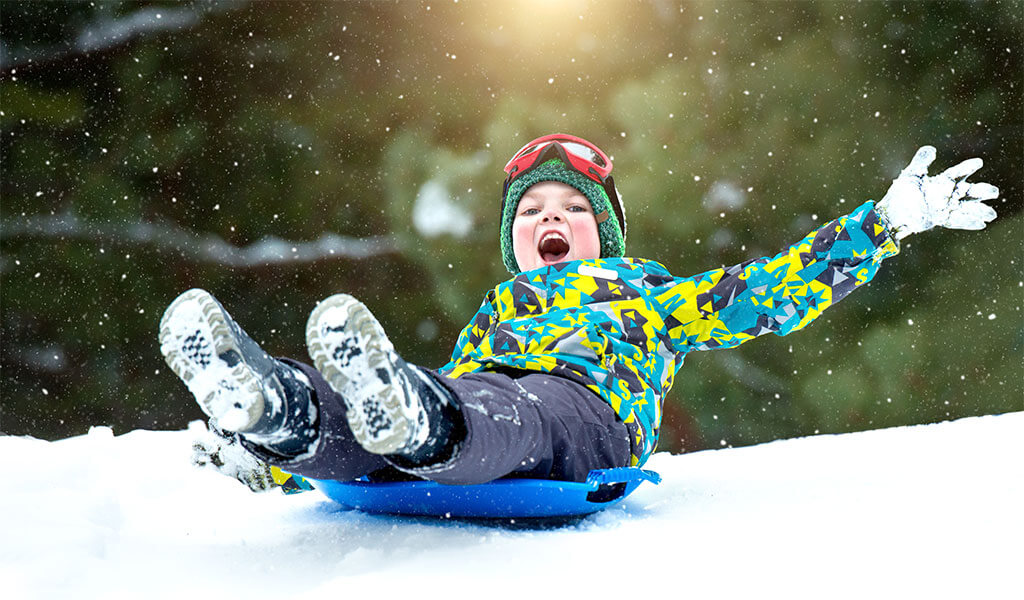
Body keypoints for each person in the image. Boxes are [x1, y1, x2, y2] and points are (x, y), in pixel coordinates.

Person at [160, 135, 999, 490]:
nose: (551, 219)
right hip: (474, 397)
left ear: (603, 234)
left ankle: (418, 423)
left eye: (572, 209)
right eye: (532, 212)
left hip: (585, 413)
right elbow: (440, 386)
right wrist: (272, 469)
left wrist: (885, 224)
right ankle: (277, 408)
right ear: (513, 241)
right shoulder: (495, 313)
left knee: (502, 411)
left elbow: (768, 294)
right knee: (389, 415)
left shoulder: (650, 296)